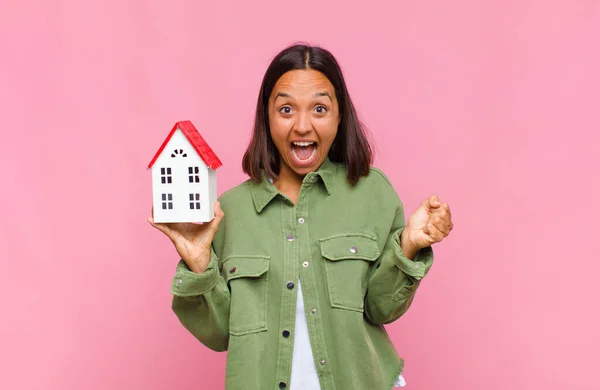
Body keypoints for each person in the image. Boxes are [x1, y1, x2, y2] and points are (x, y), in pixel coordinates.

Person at [148, 43, 453, 390]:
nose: (303, 126)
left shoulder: (373, 193)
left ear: (340, 116)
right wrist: (199, 267)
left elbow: (381, 308)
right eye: (287, 109)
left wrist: (409, 247)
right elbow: (220, 335)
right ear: (267, 116)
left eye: (320, 108)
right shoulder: (227, 212)